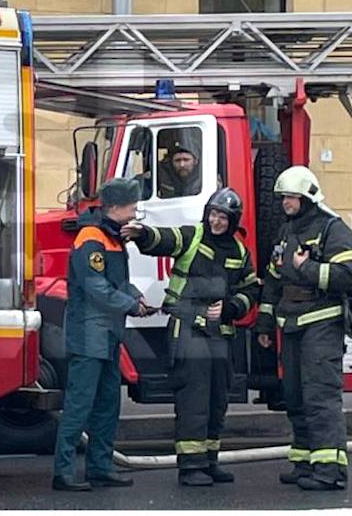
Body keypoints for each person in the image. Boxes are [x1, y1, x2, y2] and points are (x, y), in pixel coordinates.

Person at [122, 188, 259, 486]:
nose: (216, 222)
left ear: (232, 221)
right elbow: (164, 238)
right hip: (188, 330)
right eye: (213, 214)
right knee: (193, 397)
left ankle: (209, 460)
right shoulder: (192, 235)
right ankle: (191, 465)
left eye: (223, 217)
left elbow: (251, 289)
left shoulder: (238, 251)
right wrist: (142, 234)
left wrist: (233, 307)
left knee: (217, 398)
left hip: (220, 334)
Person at [255, 167, 352, 492]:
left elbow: (348, 275)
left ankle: (329, 470)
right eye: (284, 197)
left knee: (320, 397)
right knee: (295, 396)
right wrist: (264, 321)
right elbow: (274, 280)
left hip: (322, 323)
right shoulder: (286, 232)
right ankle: (304, 463)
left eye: (291, 197)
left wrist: (308, 268)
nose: (286, 202)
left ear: (307, 197)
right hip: (291, 324)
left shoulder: (333, 229)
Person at [52, 176, 151, 492]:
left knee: (108, 405)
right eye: (132, 205)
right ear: (116, 206)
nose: (136, 210)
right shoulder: (91, 238)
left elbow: (118, 281)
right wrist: (131, 306)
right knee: (80, 405)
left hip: (107, 336)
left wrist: (134, 295)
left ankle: (99, 467)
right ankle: (63, 473)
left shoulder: (112, 236)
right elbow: (96, 288)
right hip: (89, 336)